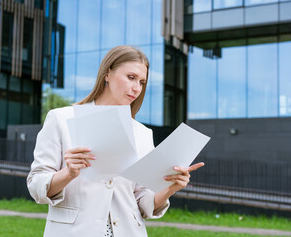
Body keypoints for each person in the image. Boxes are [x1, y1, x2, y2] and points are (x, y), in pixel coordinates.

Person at [27, 45, 204, 237]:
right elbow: (36, 185)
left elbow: (142, 200)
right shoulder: (61, 119)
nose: (137, 88)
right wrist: (68, 173)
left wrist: (171, 188)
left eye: (142, 82)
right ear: (107, 73)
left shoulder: (142, 133)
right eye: (131, 77)